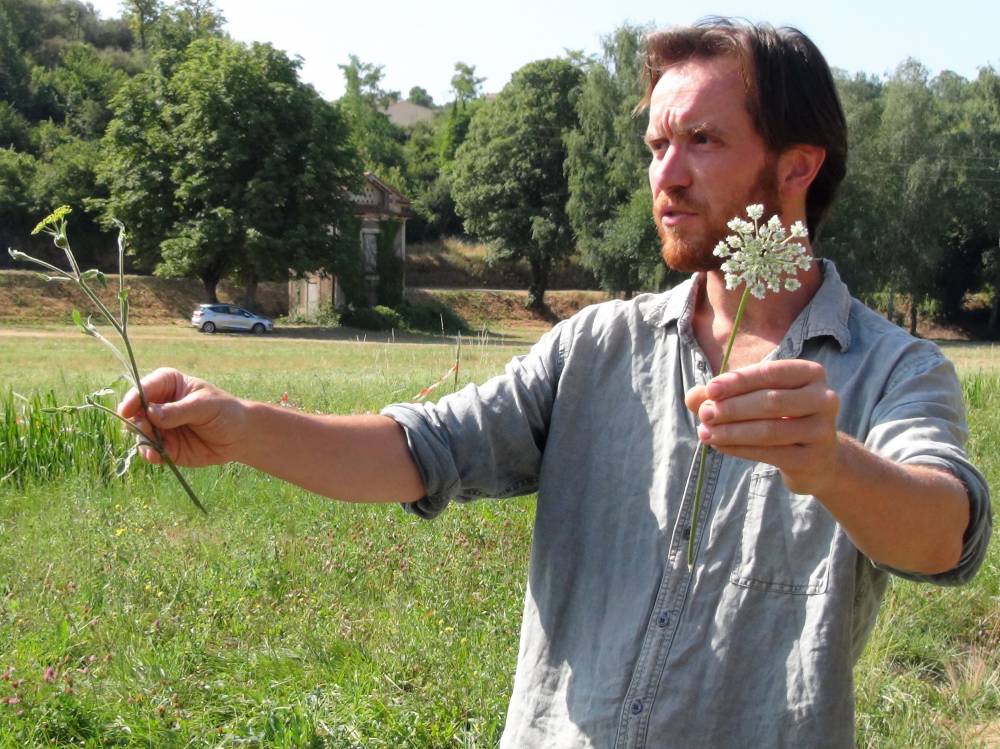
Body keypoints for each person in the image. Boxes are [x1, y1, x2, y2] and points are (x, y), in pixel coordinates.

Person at [119, 18, 992, 749]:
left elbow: (945, 533)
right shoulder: (595, 347)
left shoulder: (892, 370)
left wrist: (830, 464)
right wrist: (244, 428)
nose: (666, 175)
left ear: (798, 167)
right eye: (656, 144)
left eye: (702, 140)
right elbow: (425, 450)